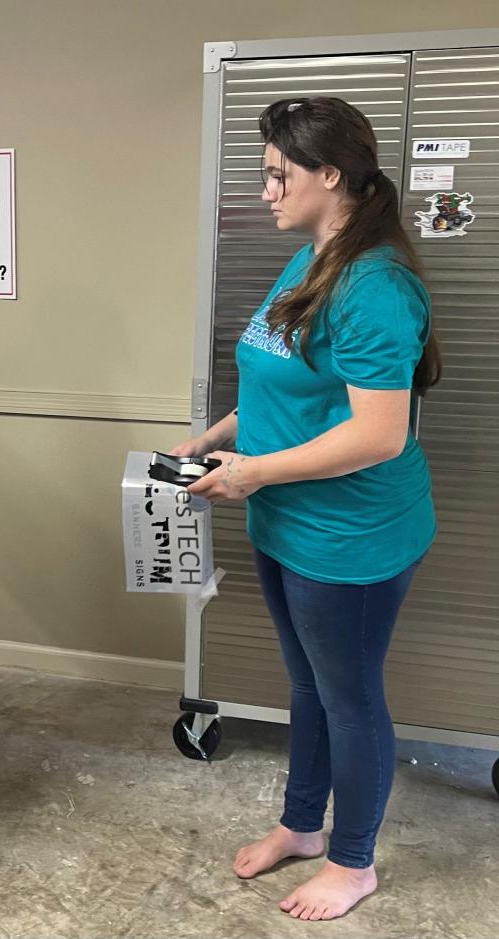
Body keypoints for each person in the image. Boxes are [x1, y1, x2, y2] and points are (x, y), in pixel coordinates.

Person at [172, 97, 441, 921]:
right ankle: (303, 823)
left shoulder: (375, 284)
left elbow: (379, 434)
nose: (265, 192)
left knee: (350, 696)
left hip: (349, 534)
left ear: (331, 175)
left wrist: (251, 472)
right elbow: (276, 377)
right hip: (286, 519)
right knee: (308, 684)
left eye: (276, 175)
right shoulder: (316, 255)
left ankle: (353, 861)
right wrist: (210, 438)